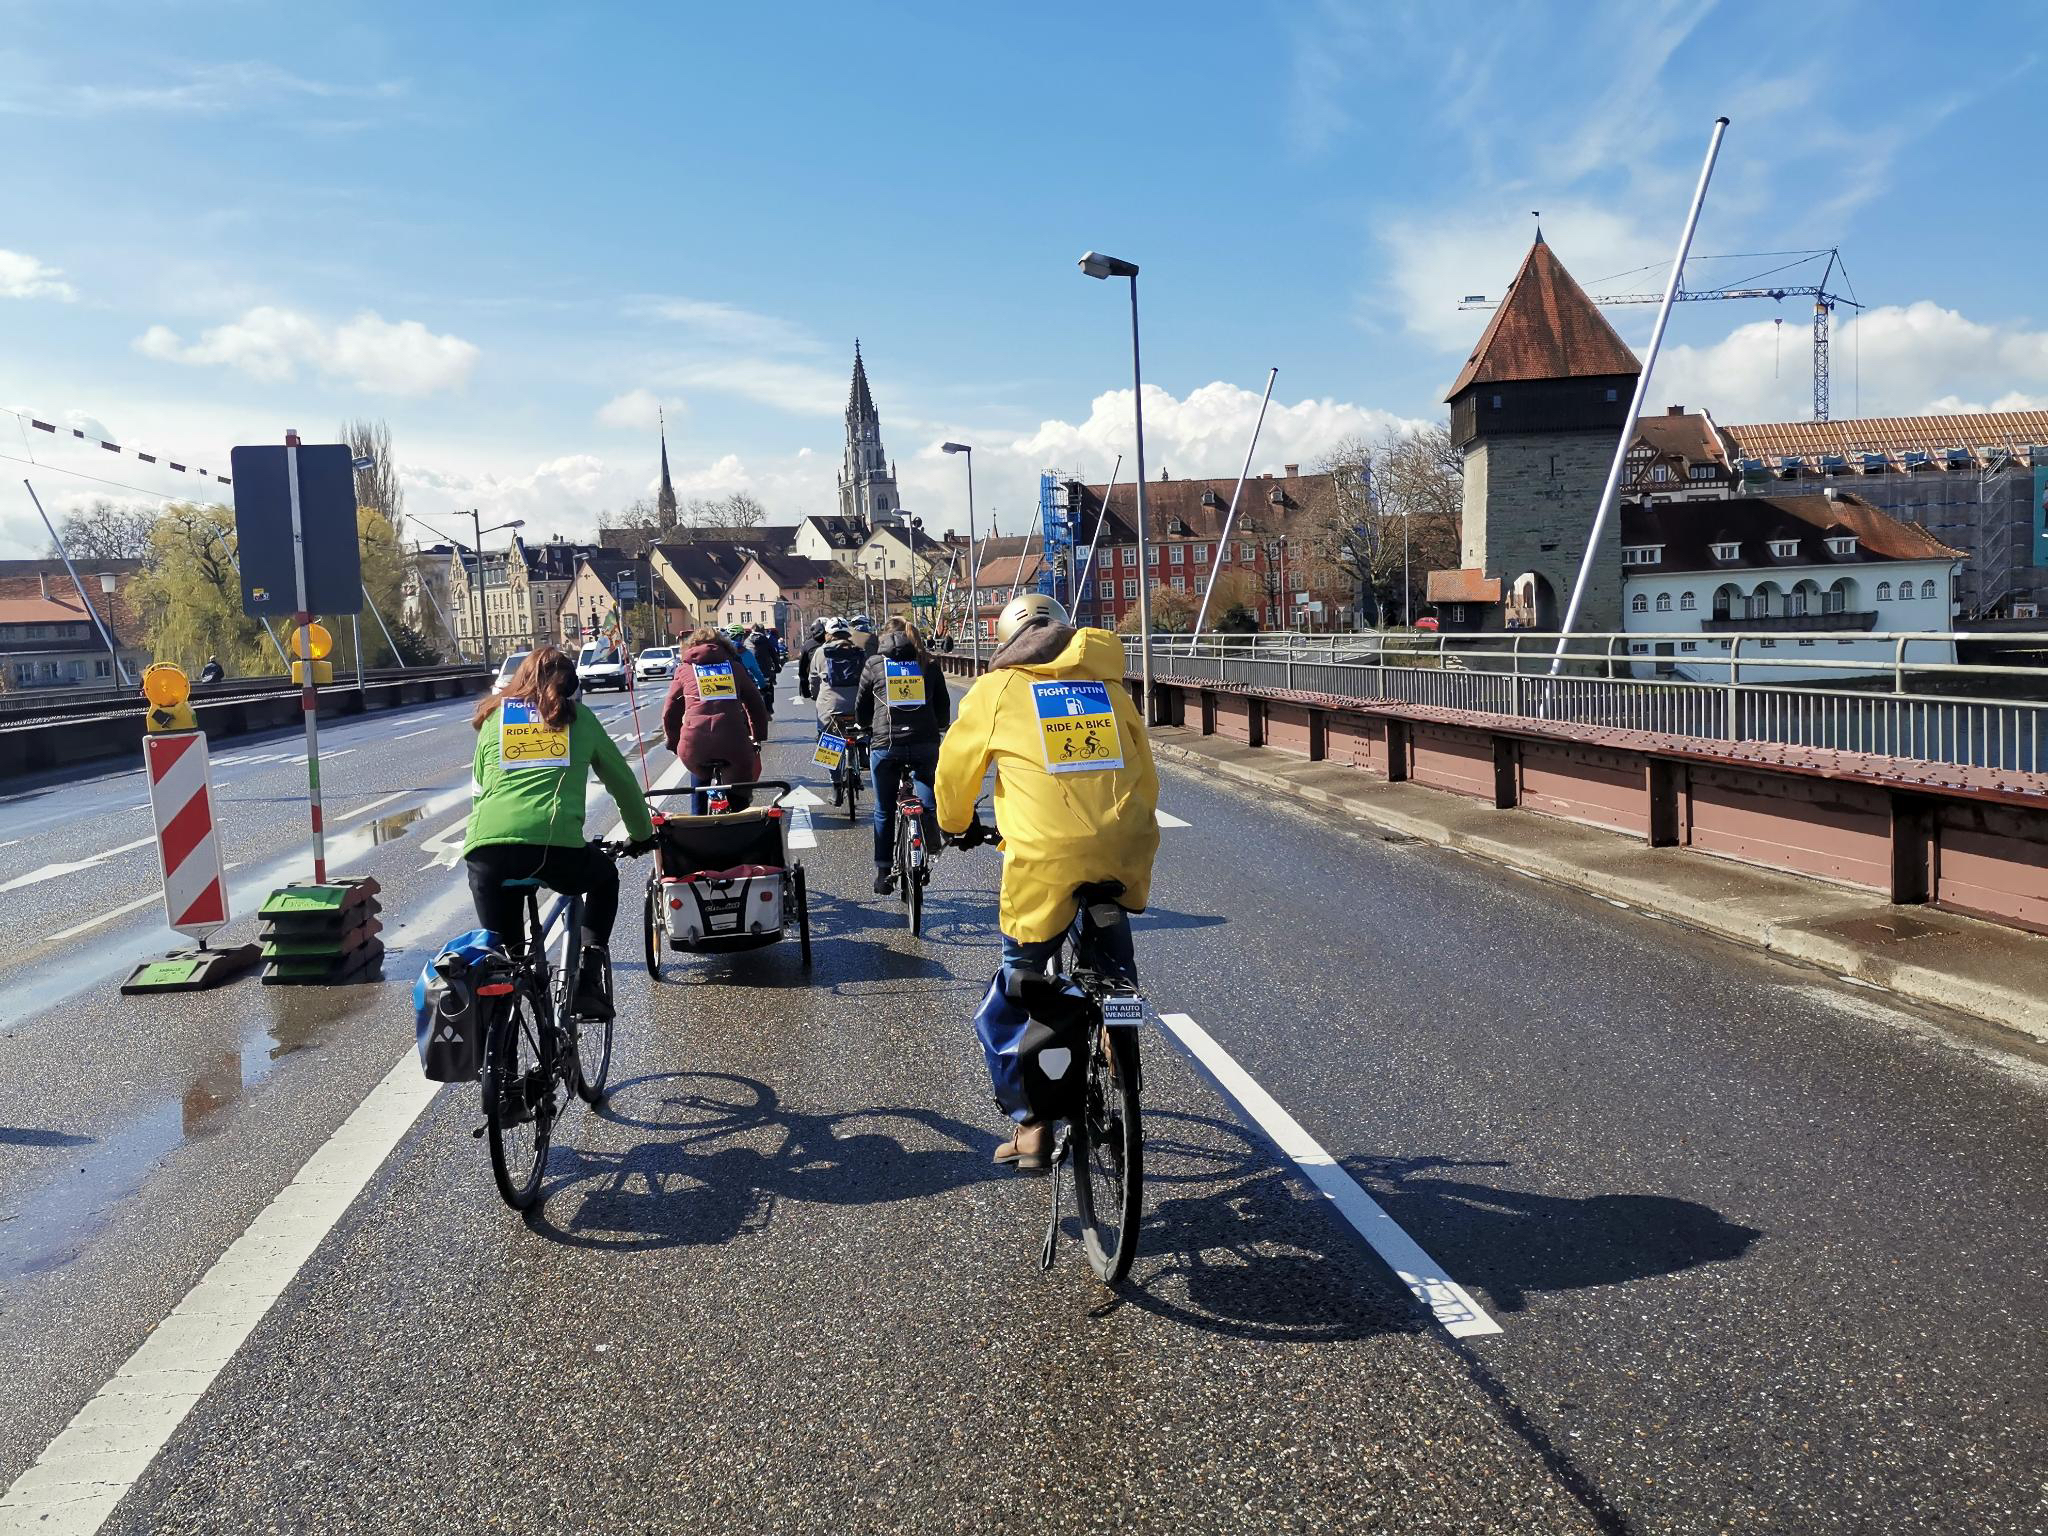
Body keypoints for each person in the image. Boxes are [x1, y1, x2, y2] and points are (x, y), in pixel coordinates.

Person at [935, 594, 1159, 1168]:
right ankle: (1119, 1025)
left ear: (1009, 642)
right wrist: (1131, 830)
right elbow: (1145, 766)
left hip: (1044, 857)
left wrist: (955, 824)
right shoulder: (1109, 686)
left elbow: (957, 771)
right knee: (1113, 963)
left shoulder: (999, 690)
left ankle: (1031, 1128)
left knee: (1020, 982)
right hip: (1123, 844)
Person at [464, 646, 655, 1021]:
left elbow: (481, 788)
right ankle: (588, 977)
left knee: (505, 960)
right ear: (570, 685)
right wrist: (642, 834)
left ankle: (501, 1066)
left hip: (486, 851)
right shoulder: (579, 719)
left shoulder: (494, 720)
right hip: (555, 849)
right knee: (604, 878)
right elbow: (622, 782)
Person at [855, 618, 951, 894]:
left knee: (884, 809)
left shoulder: (875, 664)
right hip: (924, 743)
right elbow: (942, 706)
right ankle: (930, 832)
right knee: (926, 792)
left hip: (886, 745)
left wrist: (864, 726)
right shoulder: (929, 665)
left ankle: (884, 873)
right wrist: (940, 726)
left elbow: (862, 704)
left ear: (884, 640)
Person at [662, 626, 769, 813]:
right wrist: (758, 735)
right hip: (733, 740)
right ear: (724, 647)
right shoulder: (735, 668)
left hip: (695, 741)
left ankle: (698, 815)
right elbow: (755, 705)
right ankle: (739, 812)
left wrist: (673, 742)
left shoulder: (684, 670)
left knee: (697, 768)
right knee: (740, 787)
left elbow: (670, 710)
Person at [807, 619, 868, 806]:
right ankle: (863, 748)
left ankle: (835, 787)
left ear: (828, 634)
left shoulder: (820, 653)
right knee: (864, 725)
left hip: (831, 708)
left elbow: (814, 681)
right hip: (856, 705)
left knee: (829, 742)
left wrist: (815, 695)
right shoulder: (859, 652)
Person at [797, 619, 828, 702]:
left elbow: (802, 669)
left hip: (816, 683)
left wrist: (805, 690)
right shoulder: (837, 643)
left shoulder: (808, 644)